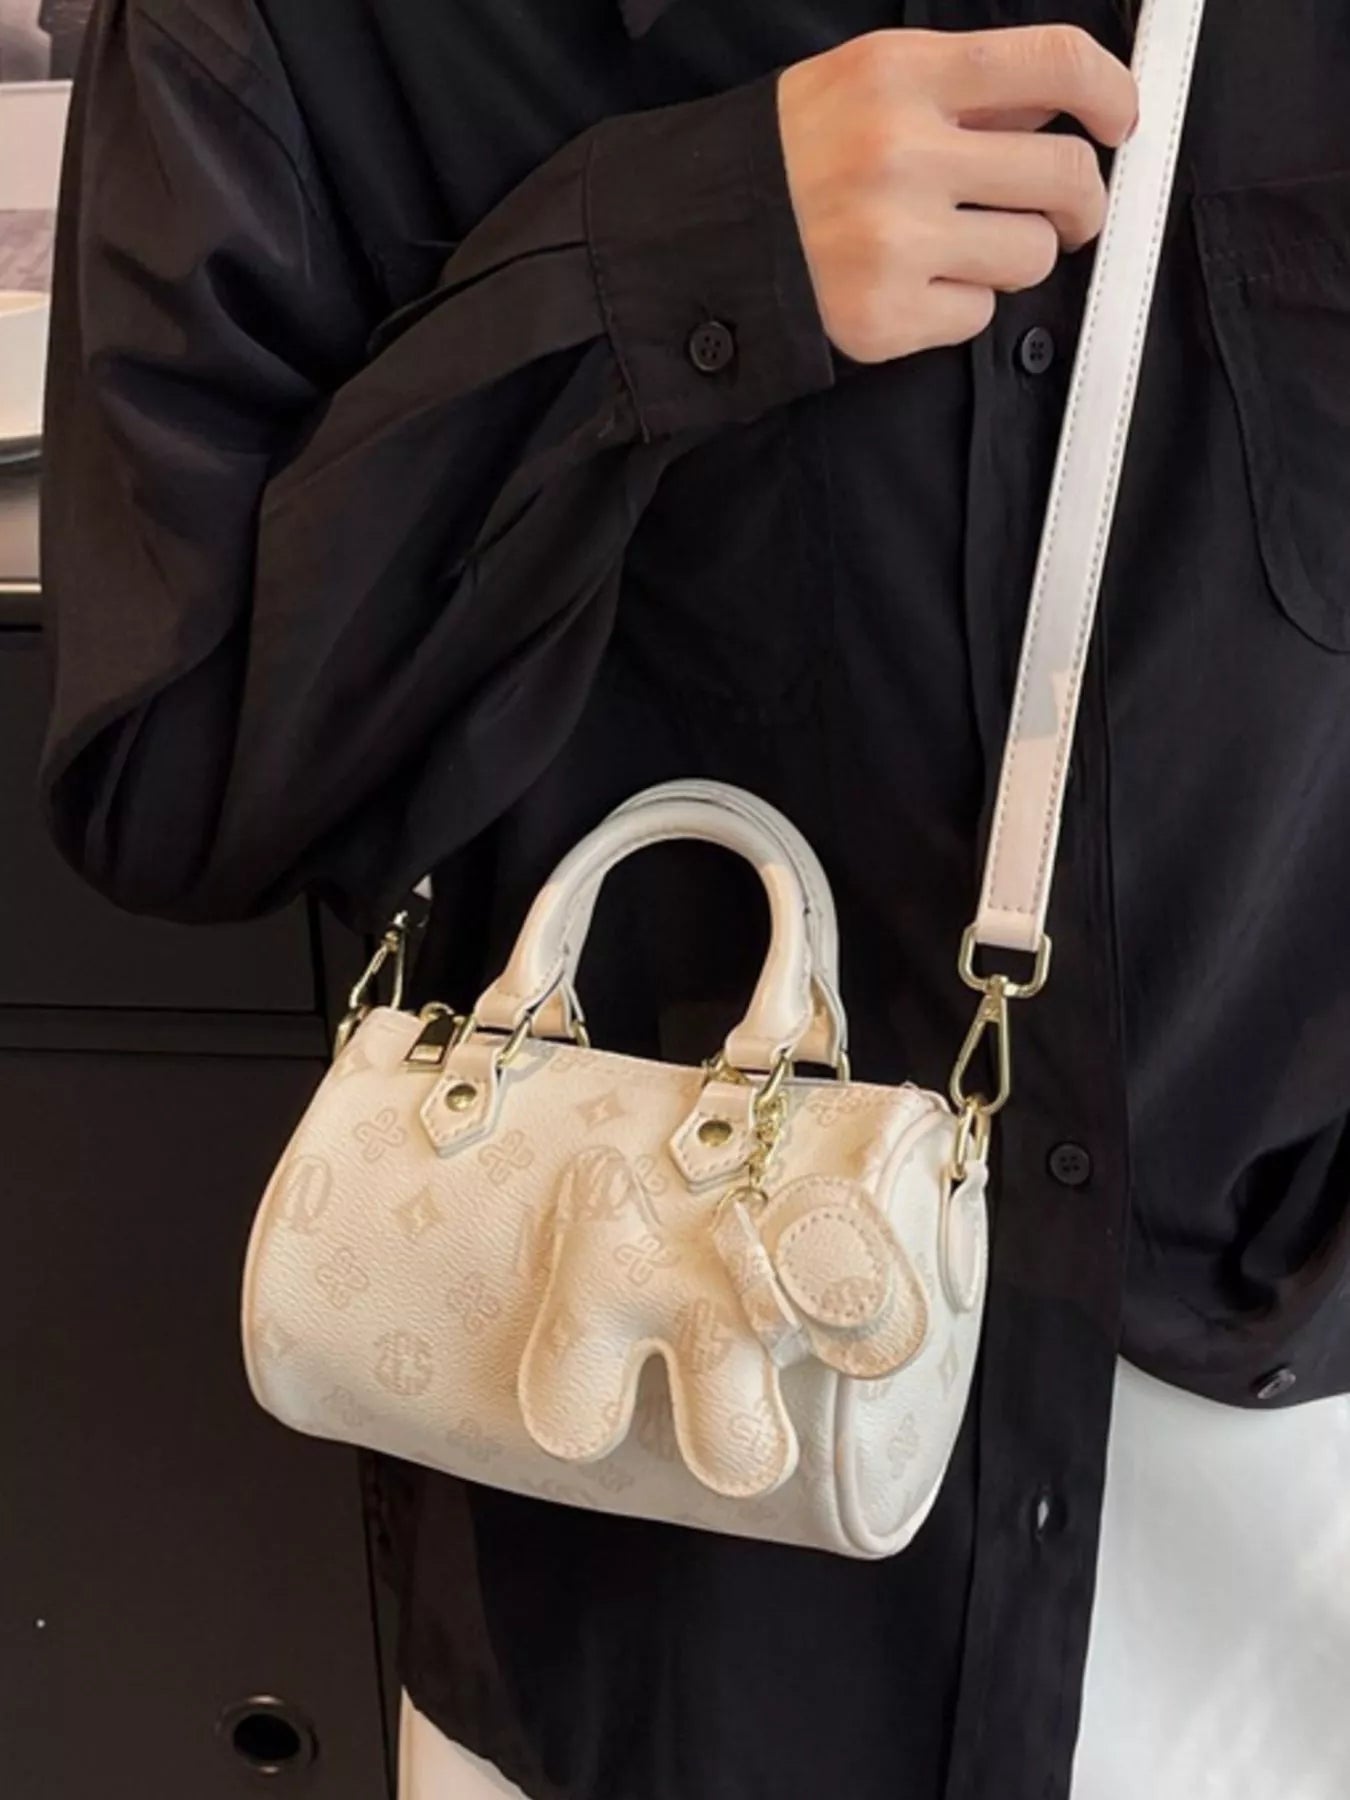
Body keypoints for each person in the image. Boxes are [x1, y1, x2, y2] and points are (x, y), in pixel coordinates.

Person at [38, 3, 1350, 1799]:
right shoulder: (313, 35)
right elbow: (175, 783)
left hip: (1273, 1541)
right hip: (651, 1551)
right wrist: (670, 267)